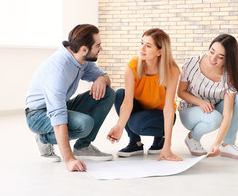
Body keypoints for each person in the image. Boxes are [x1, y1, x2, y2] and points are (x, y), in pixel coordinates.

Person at [25, 24, 116, 172]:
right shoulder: (58, 70)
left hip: (61, 106)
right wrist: (69, 160)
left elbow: (104, 76)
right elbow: (58, 116)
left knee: (108, 92)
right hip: (38, 115)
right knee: (85, 124)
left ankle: (83, 147)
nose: (101, 49)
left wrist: (100, 80)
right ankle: (43, 139)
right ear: (84, 49)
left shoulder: (81, 58)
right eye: (98, 45)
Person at [107, 28, 182, 162]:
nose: (142, 48)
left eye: (148, 46)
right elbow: (127, 102)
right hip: (141, 109)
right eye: (141, 43)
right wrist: (119, 125)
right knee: (119, 94)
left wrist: (167, 146)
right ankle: (135, 143)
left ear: (160, 51)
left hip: (160, 115)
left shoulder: (172, 70)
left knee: (137, 124)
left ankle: (161, 138)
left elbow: (169, 107)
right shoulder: (133, 66)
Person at [177, 34, 238, 160]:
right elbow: (181, 92)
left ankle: (227, 144)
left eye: (220, 57)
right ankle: (192, 138)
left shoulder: (229, 76)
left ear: (228, 59)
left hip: (213, 109)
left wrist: (216, 144)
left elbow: (227, 115)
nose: (213, 58)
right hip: (189, 111)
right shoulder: (192, 63)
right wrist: (200, 102)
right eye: (212, 52)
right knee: (215, 118)